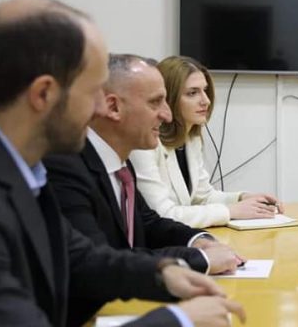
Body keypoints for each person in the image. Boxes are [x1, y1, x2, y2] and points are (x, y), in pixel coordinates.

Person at [0, 0, 245, 326]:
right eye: (93, 92)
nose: (102, 109)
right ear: (44, 94)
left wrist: (163, 274)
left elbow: (79, 256)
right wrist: (178, 320)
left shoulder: (24, 171)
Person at [43, 53, 244, 324]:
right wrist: (197, 259)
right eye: (155, 102)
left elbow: (148, 222)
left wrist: (198, 240)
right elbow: (97, 261)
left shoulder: (119, 161)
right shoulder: (66, 166)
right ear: (113, 107)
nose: (167, 114)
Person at [129, 56, 283, 228]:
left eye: (205, 90)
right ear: (168, 99)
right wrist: (230, 211)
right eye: (192, 93)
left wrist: (242, 198)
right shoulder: (143, 145)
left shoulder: (191, 139)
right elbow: (162, 214)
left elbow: (203, 197)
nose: (206, 101)